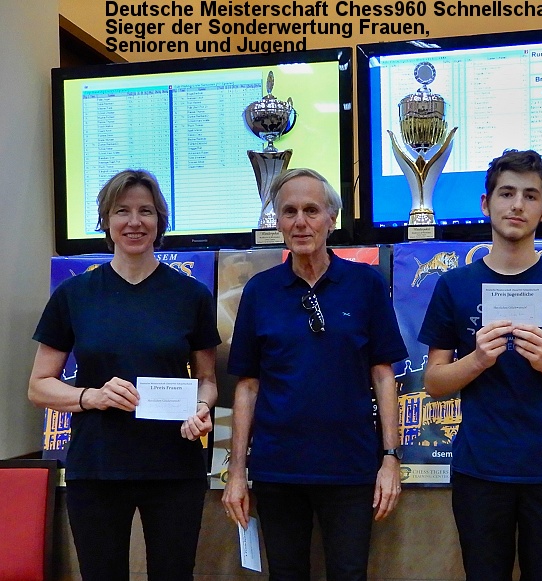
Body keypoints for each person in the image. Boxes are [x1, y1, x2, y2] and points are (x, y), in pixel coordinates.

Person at [418, 149, 542, 581]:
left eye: (530, 195)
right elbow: (435, 382)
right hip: (480, 468)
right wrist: (478, 360)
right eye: (506, 193)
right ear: (486, 204)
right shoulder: (455, 285)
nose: (517, 205)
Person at [28, 169, 220, 581]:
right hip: (97, 468)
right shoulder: (75, 295)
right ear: (106, 221)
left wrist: (202, 408)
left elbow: (207, 380)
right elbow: (39, 386)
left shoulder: (191, 295)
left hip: (174, 468)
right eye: (122, 211)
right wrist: (91, 397)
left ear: (160, 221)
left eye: (145, 211)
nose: (134, 222)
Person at [222, 168, 408, 581]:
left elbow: (383, 376)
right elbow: (247, 387)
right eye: (289, 212)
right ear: (277, 221)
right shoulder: (260, 291)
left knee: (348, 573)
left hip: (350, 467)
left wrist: (390, 459)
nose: (300, 222)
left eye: (311, 210)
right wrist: (236, 473)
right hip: (277, 469)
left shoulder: (365, 284)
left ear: (331, 219)